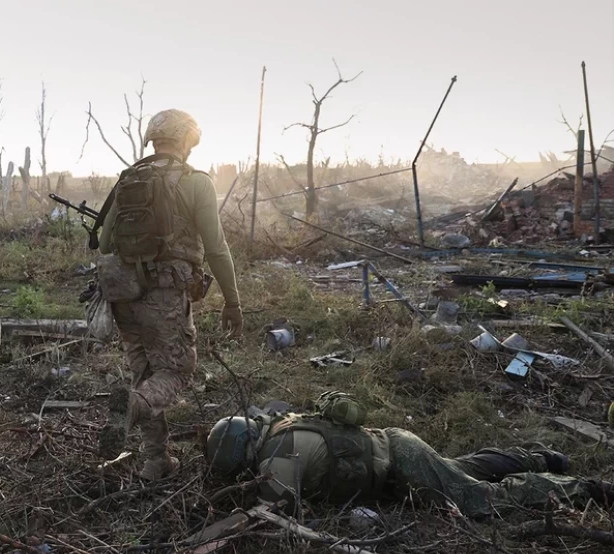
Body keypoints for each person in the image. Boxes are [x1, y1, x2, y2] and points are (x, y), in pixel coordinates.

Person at [94, 109, 242, 481]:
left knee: (145, 370)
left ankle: (156, 460)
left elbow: (105, 243)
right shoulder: (195, 182)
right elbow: (217, 248)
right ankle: (130, 409)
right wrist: (233, 301)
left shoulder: (129, 179)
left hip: (122, 294)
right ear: (186, 140)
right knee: (177, 368)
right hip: (163, 293)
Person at [205, 392, 614, 517]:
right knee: (461, 470)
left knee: (476, 500)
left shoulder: (276, 458)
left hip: (401, 466)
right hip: (395, 449)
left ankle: (589, 488)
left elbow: (276, 510)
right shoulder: (282, 424)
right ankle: (541, 457)